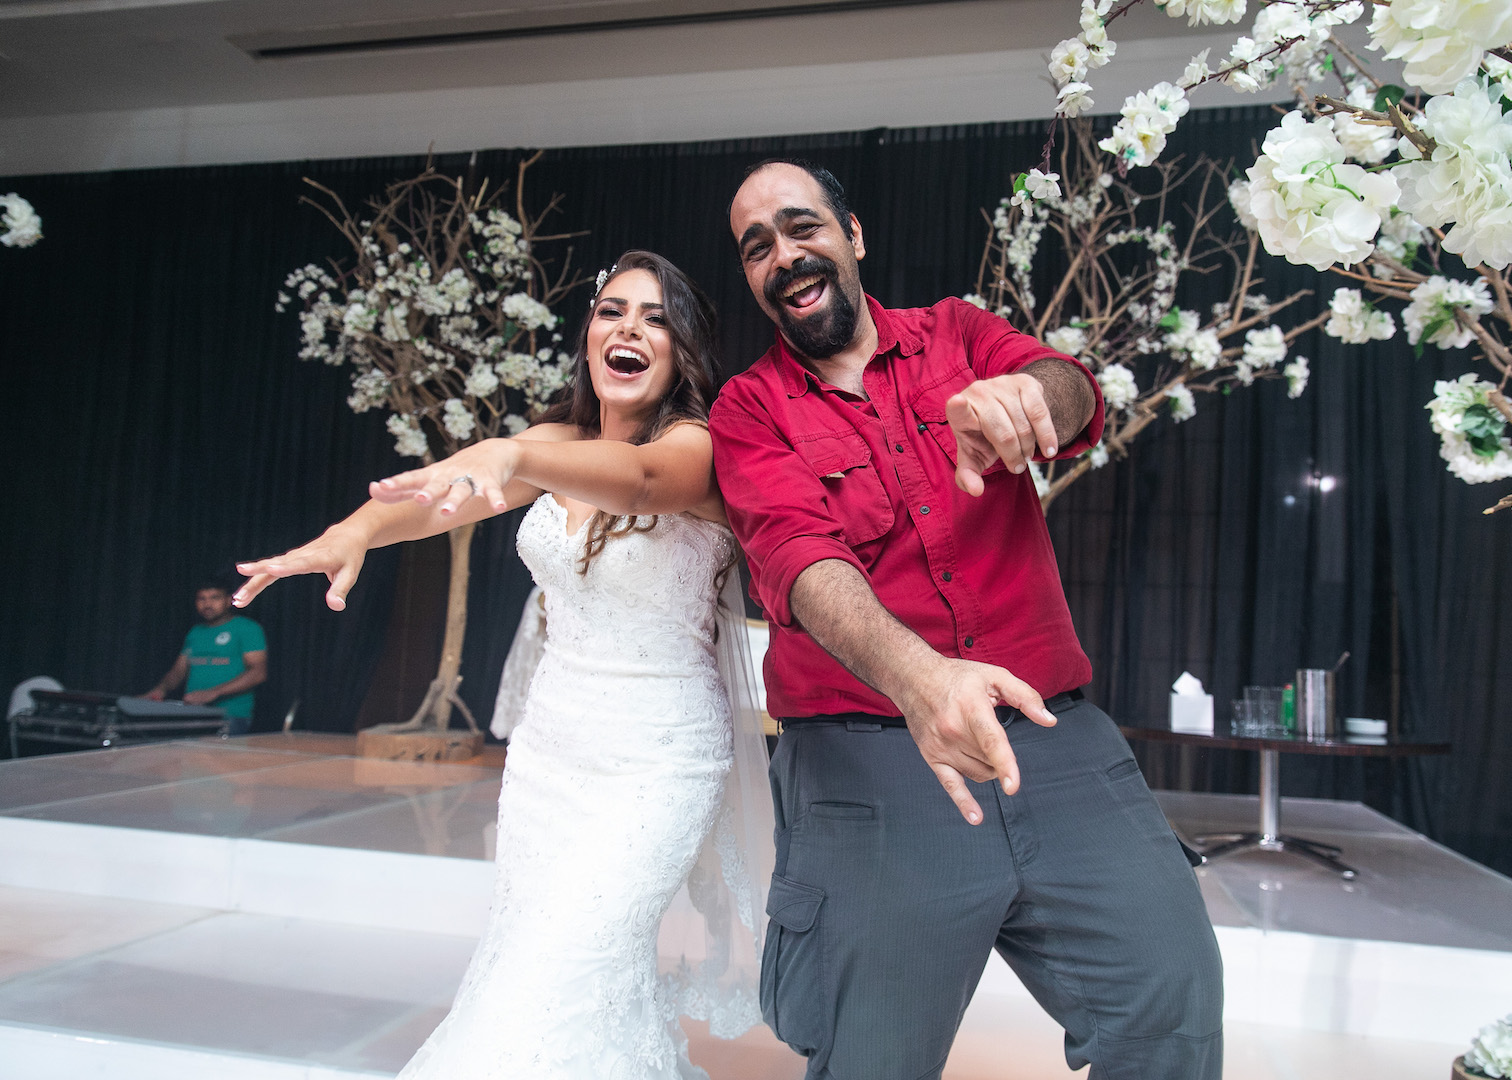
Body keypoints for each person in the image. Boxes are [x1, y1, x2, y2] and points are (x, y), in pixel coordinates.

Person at [710, 160, 1225, 1079]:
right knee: (872, 1058)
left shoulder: (956, 331)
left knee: (1171, 1004)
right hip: (867, 768)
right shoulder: (748, 409)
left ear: (853, 235)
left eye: (803, 227)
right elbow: (798, 558)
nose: (784, 256)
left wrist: (1031, 399)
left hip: (1053, 737)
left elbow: (1071, 390)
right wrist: (925, 682)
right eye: (758, 248)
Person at [233, 251, 772, 1080]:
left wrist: (507, 454)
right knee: (531, 960)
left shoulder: (695, 450)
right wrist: (353, 534)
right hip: (549, 757)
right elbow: (441, 497)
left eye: (656, 318)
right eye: (612, 311)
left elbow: (637, 482)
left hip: (657, 761)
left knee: (566, 969)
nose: (628, 328)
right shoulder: (552, 443)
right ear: (589, 334)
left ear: (684, 350)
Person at [144, 578, 267, 735]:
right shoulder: (195, 632)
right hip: (191, 713)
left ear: (228, 600)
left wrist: (214, 692)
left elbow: (258, 672)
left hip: (230, 716)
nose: (207, 604)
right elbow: (178, 671)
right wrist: (159, 690)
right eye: (202, 599)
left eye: (215, 598)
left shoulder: (247, 628)